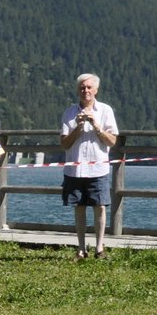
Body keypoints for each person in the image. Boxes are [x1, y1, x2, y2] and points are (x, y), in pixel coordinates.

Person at [59, 73, 120, 259]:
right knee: (78, 207)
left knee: (100, 206)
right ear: (78, 90)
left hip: (98, 168)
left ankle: (99, 247)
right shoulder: (69, 113)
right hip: (75, 169)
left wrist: (97, 127)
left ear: (96, 90)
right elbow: (64, 143)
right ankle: (81, 248)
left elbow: (112, 141)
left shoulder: (105, 111)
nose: (85, 91)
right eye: (82, 87)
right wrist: (77, 127)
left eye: (89, 87)